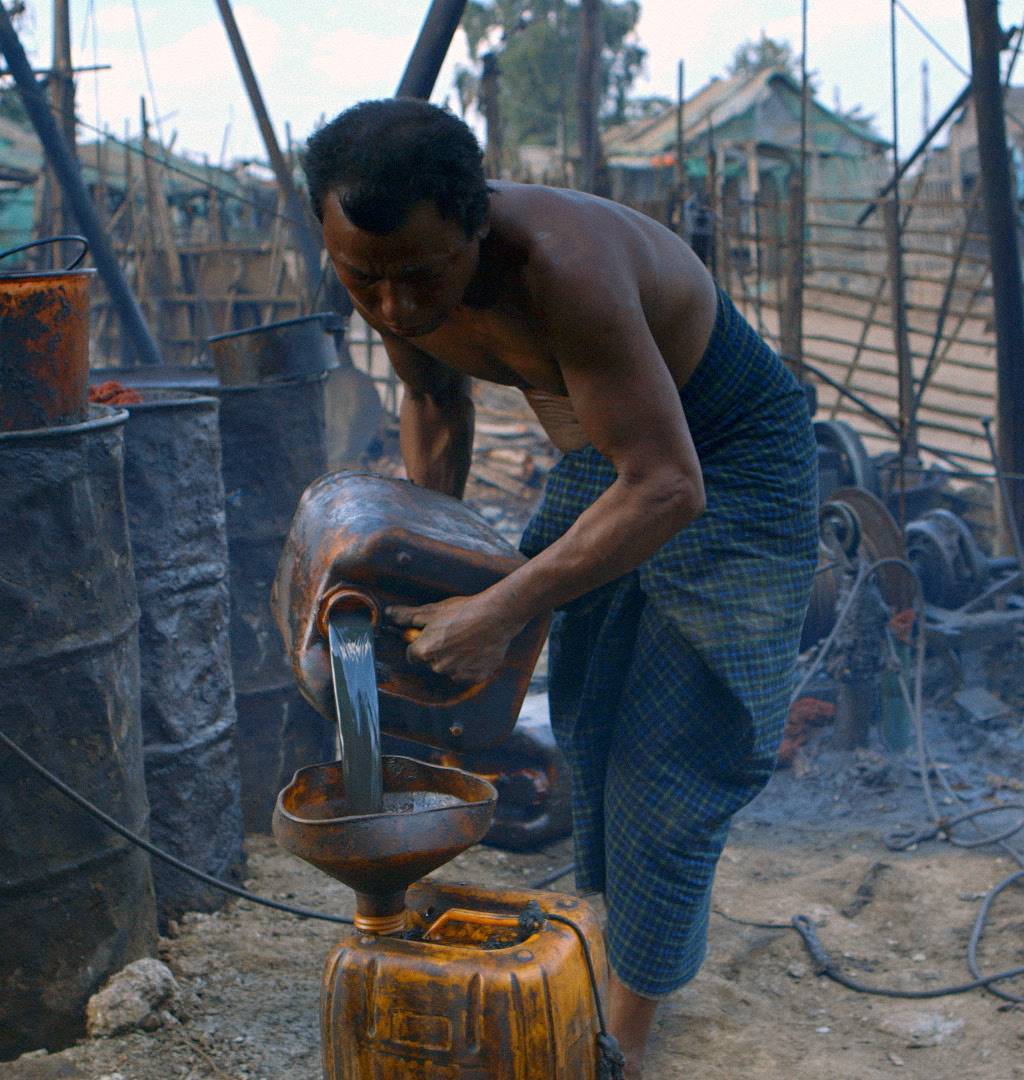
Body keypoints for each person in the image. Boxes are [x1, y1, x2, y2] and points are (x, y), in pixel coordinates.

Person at [304, 98, 818, 1079]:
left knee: (671, 763)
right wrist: (412, 561)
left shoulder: (562, 266)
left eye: (421, 277)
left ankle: (617, 1043)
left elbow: (670, 484)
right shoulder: (386, 279)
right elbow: (432, 399)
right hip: (611, 456)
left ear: (475, 226)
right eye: (363, 278)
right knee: (590, 728)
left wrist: (500, 607)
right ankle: (602, 945)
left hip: (729, 465)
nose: (396, 306)